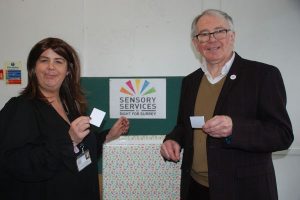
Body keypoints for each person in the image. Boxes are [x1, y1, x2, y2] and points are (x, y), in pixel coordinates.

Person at [160, 9, 293, 200]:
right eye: (203, 34)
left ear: (232, 36)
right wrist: (173, 139)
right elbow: (184, 125)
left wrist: (235, 129)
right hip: (195, 188)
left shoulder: (263, 75)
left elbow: (282, 135)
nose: (211, 39)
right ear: (196, 43)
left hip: (244, 190)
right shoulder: (190, 81)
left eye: (219, 31)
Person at [0, 37, 129, 200]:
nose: (51, 67)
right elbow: (16, 164)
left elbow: (79, 152)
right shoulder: (20, 107)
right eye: (44, 60)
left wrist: (108, 136)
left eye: (59, 61)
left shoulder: (72, 106)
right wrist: (69, 140)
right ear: (33, 67)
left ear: (68, 70)